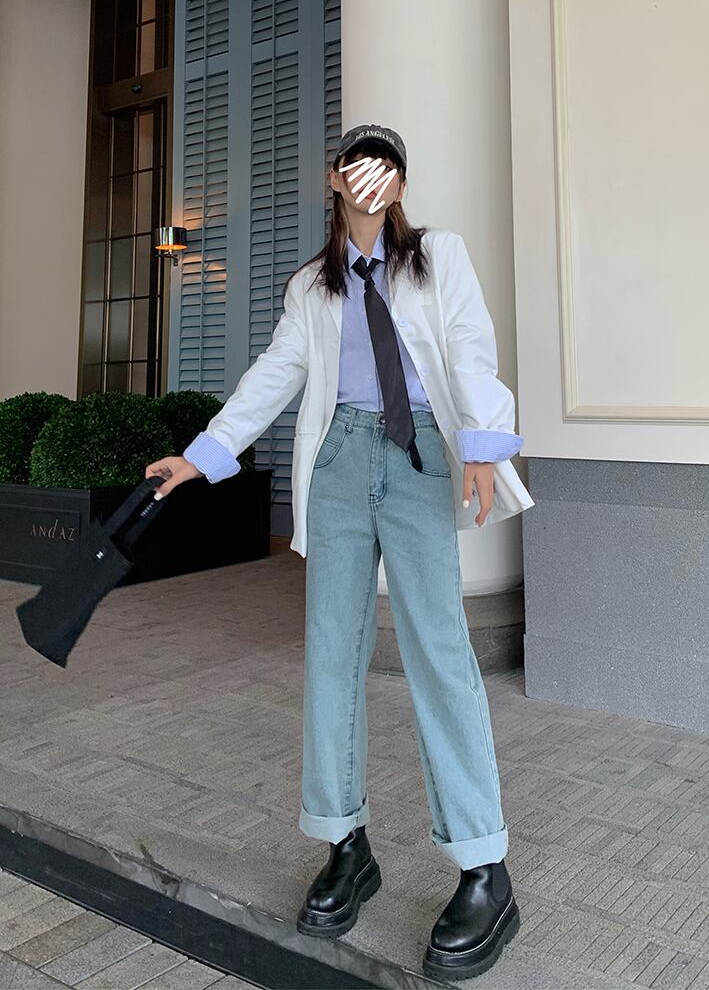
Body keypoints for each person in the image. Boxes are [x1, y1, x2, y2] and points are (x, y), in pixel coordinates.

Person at [145, 123, 533, 981]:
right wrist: (205, 454)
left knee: (440, 652)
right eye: (359, 163)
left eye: (387, 166)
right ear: (336, 178)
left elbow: (470, 347)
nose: (371, 177)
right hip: (340, 465)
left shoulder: (438, 257)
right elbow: (274, 374)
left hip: (419, 454)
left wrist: (482, 442)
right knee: (331, 656)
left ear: (400, 184)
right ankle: (345, 845)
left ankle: (483, 865)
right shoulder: (310, 286)